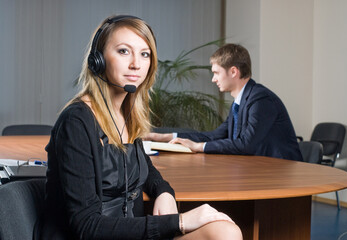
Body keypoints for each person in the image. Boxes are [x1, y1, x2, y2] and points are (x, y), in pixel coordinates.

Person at [36, 15, 242, 240]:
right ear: (98, 60)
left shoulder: (127, 114)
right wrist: (179, 221)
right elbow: (87, 227)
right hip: (90, 236)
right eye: (124, 51)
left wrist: (164, 191)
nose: (136, 63)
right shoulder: (76, 122)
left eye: (145, 54)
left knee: (225, 231)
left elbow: (144, 169)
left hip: (128, 232)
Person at [146, 44, 303, 161]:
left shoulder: (261, 100)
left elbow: (246, 144)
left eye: (216, 73)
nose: (213, 79)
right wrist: (161, 137)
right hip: (259, 170)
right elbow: (216, 136)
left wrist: (198, 147)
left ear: (233, 71)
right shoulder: (241, 101)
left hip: (281, 175)